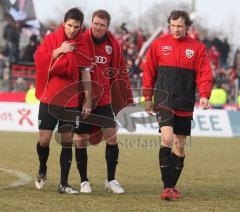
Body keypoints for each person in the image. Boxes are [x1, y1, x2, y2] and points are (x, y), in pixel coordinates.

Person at [142, 10, 213, 200]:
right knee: (166, 139)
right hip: (164, 99)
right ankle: (167, 188)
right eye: (172, 26)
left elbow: (204, 73)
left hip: (185, 101)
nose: (176, 29)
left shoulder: (197, 48)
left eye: (180, 26)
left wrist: (205, 95)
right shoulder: (159, 44)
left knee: (179, 147)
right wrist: (148, 96)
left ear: (188, 27)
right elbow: (148, 71)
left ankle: (171, 186)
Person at [34, 7, 92, 194]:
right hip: (50, 97)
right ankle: (42, 168)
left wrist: (88, 100)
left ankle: (63, 184)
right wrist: (59, 50)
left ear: (81, 26)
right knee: (44, 140)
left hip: (71, 100)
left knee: (67, 140)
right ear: (63, 23)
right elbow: (39, 59)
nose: (72, 30)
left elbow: (85, 73)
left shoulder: (83, 44)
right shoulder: (52, 39)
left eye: (76, 27)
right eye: (69, 25)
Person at [74, 10, 133, 194]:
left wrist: (123, 97)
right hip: (83, 99)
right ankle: (84, 181)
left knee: (112, 137)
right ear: (91, 23)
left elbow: (118, 70)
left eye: (102, 25)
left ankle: (111, 180)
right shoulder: (81, 41)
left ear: (107, 27)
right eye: (96, 23)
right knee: (81, 140)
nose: (98, 27)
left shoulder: (112, 45)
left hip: (104, 98)